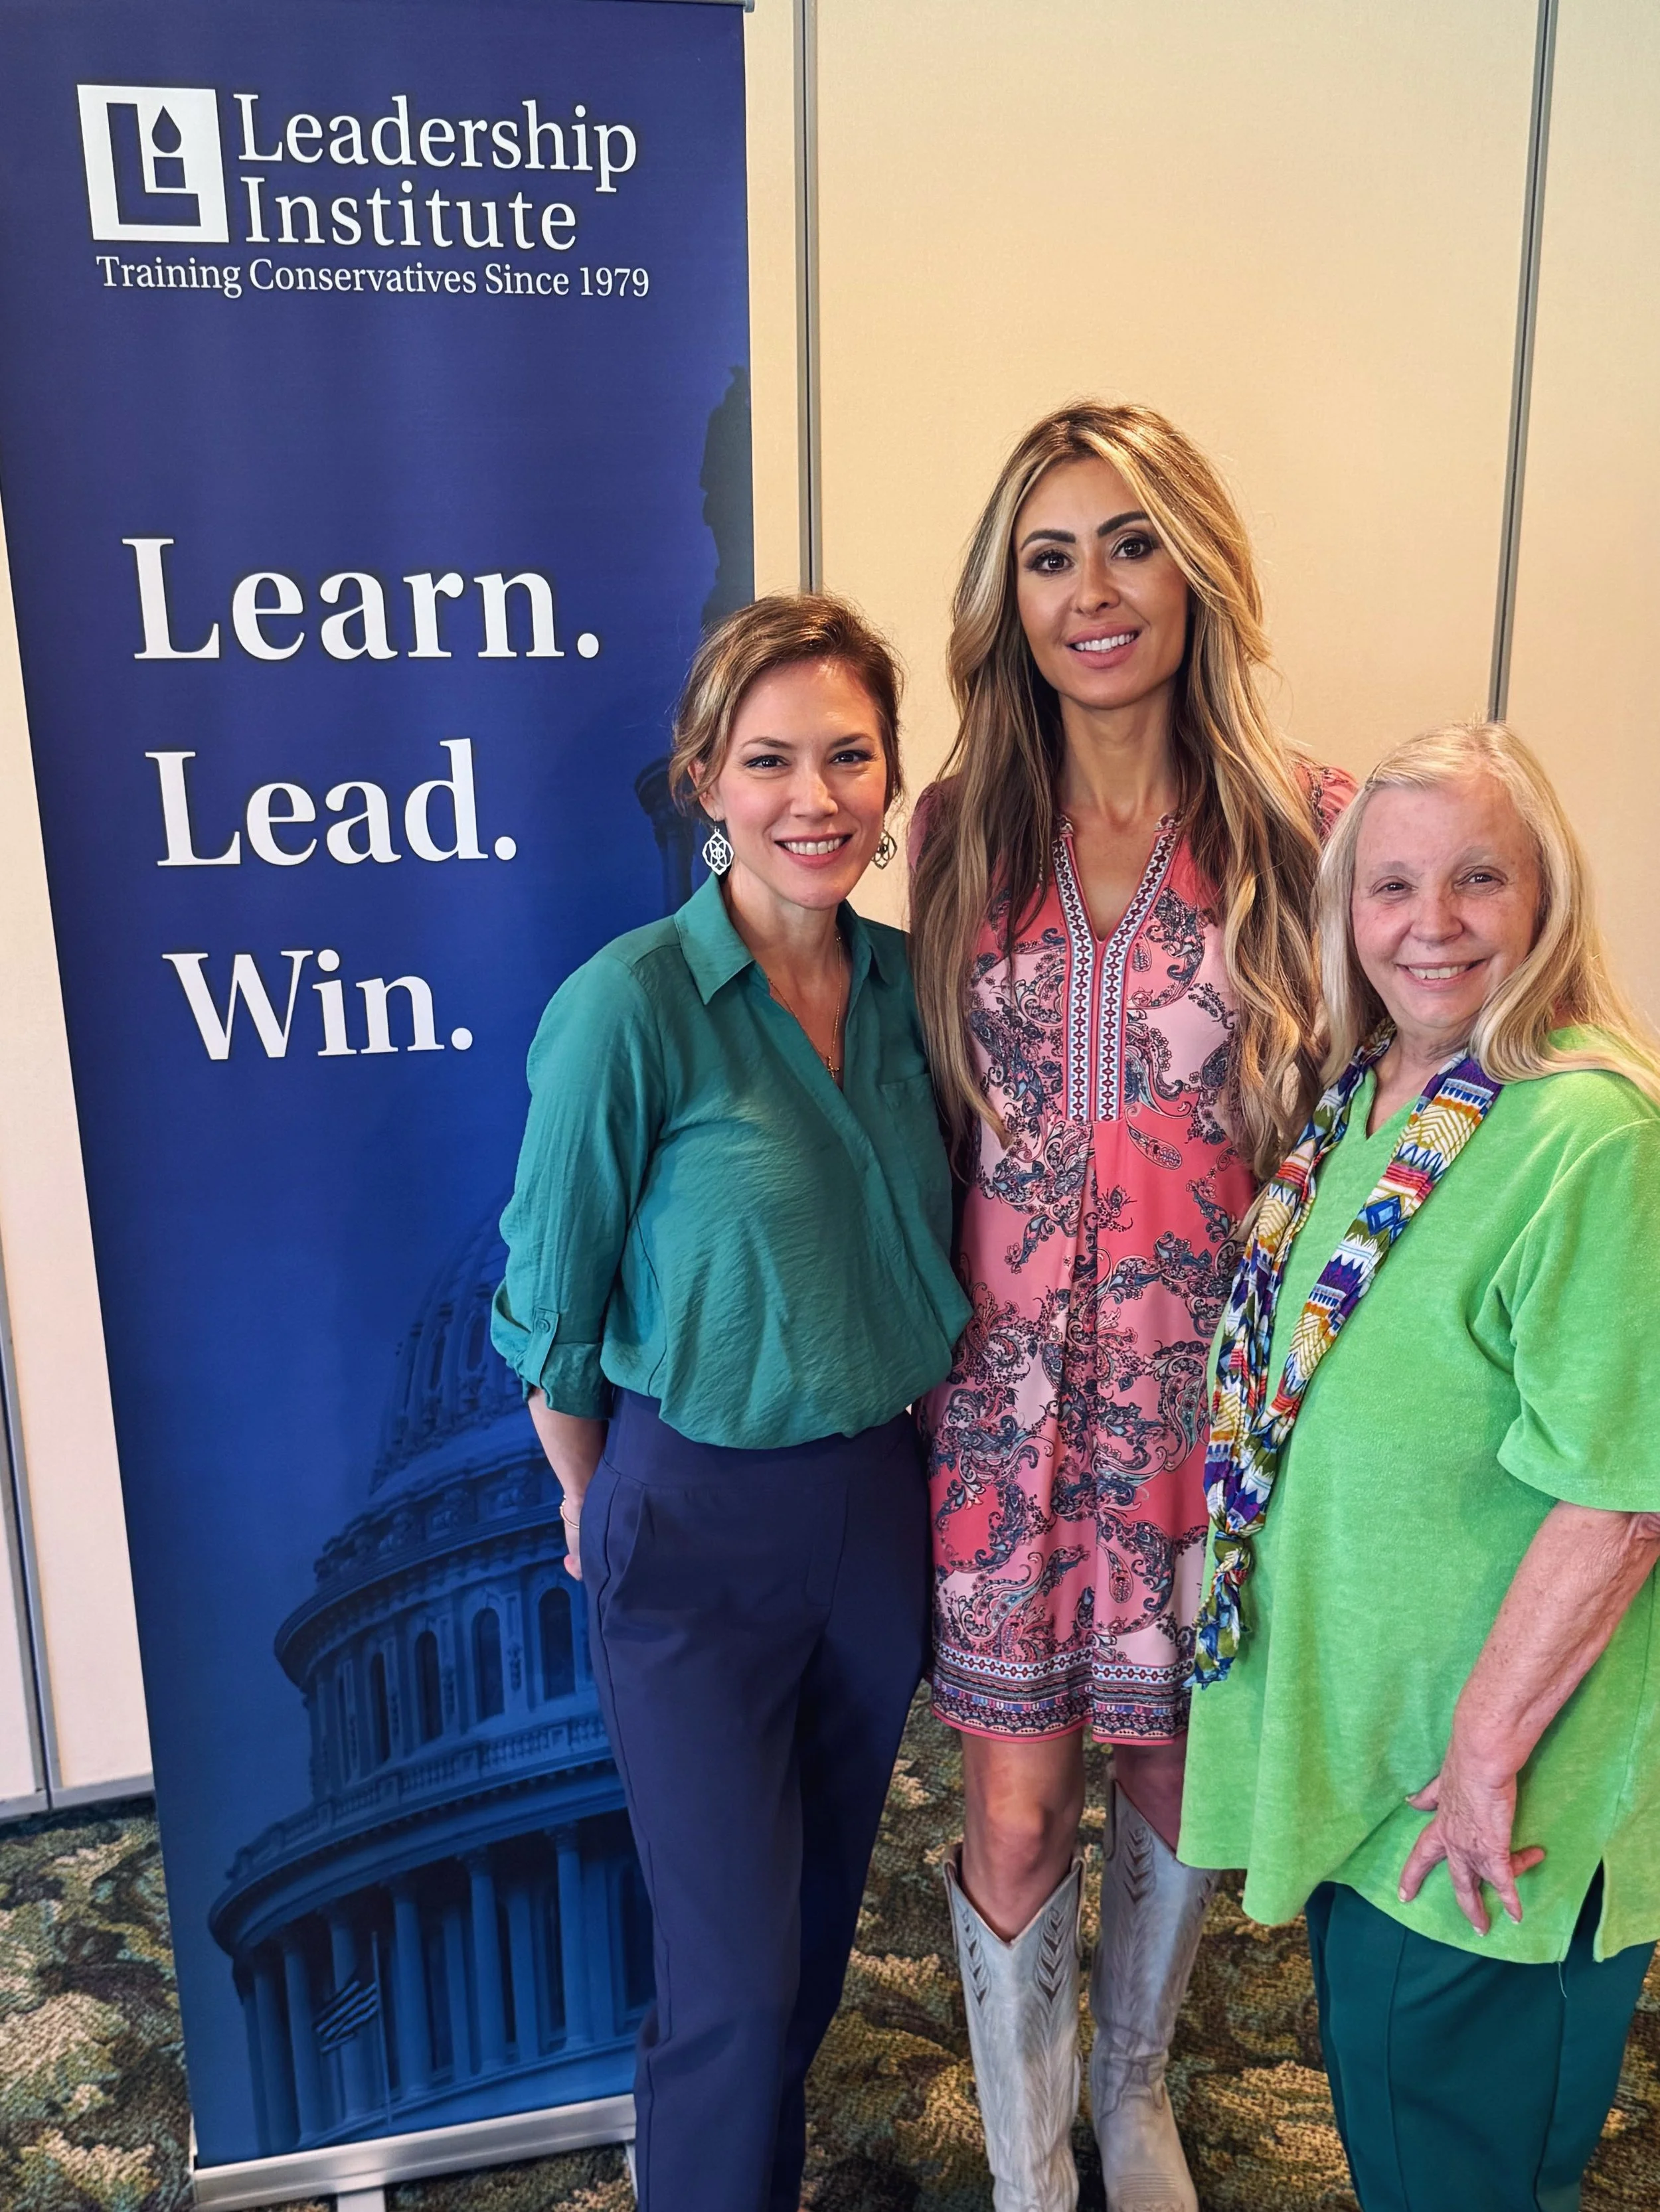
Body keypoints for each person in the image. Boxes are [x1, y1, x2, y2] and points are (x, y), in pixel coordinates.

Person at [908, 399, 1353, 2212]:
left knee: (1175, 1770)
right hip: (1003, 1408)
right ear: (1004, 601)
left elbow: (1381, 1103)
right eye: (1047, 554)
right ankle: (1029, 2157)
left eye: (1129, 540)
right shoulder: (953, 830)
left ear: (1199, 566)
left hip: (1206, 1406)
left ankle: (1135, 2095)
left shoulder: (1306, 823)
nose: (1092, 590)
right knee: (1013, 1797)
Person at [491, 593, 970, 2212]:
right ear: (706, 779)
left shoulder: (920, 993)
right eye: (768, 758)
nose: (812, 795)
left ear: (891, 779)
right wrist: (590, 1492)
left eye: (847, 754)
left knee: (816, 1936)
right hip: (689, 1515)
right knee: (730, 1977)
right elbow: (548, 1311)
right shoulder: (629, 1008)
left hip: (878, 1513)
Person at [1181, 721, 1660, 2212]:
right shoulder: (1371, 1095)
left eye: (1475, 880)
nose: (1429, 923)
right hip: (1370, 1761)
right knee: (1401, 2138)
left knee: (1453, 2166)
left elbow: (1619, 1495)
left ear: (1544, 900)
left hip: (1485, 1799)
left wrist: (1475, 1765)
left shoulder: (1585, 1133)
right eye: (1389, 887)